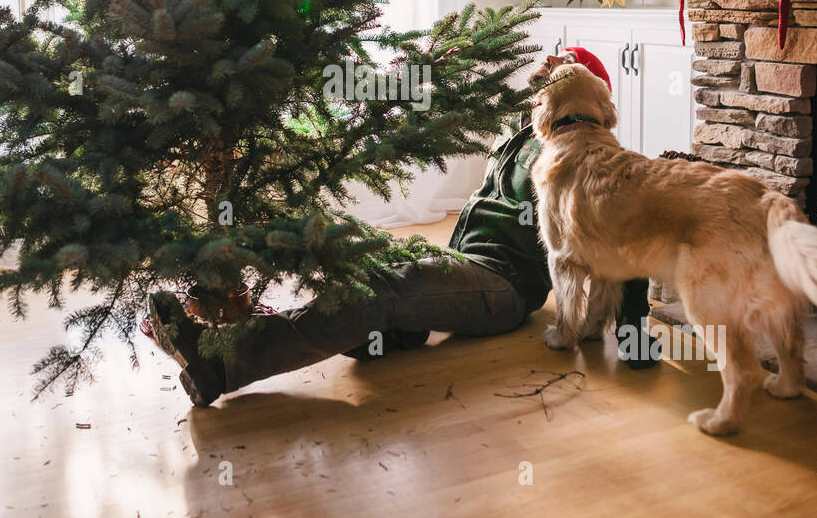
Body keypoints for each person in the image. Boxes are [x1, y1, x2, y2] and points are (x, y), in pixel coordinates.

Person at [143, 47, 657, 407]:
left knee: (384, 292)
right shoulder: (521, 137)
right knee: (366, 270)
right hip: (465, 262)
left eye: (556, 72)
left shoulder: (585, 158)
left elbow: (626, 236)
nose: (541, 75)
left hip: (500, 287)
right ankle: (382, 335)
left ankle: (221, 363)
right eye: (545, 71)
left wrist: (629, 335)